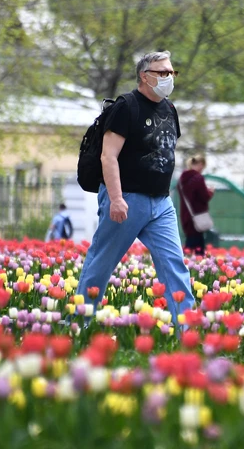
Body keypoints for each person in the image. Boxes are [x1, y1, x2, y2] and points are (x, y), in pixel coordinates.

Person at [76, 50, 194, 326]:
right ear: (145, 76)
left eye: (171, 73)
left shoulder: (169, 108)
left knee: (174, 266)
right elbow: (109, 156)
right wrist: (115, 198)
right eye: (162, 72)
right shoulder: (126, 107)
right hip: (126, 200)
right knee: (101, 266)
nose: (168, 78)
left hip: (161, 204)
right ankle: (77, 326)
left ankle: (189, 333)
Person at [178, 155, 215, 255]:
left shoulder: (182, 179)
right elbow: (204, 197)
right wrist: (210, 192)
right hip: (197, 217)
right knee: (197, 247)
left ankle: (189, 264)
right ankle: (192, 267)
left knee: (190, 242)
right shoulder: (198, 178)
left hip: (186, 215)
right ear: (200, 164)